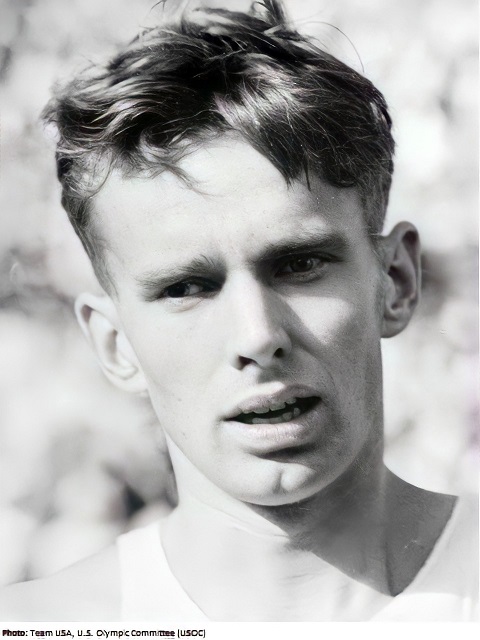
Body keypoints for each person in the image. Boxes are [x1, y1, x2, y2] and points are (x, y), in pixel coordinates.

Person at [0, 0, 477, 622]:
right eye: (185, 289)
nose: (257, 335)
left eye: (300, 265)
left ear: (396, 281)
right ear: (115, 344)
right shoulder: (39, 628)